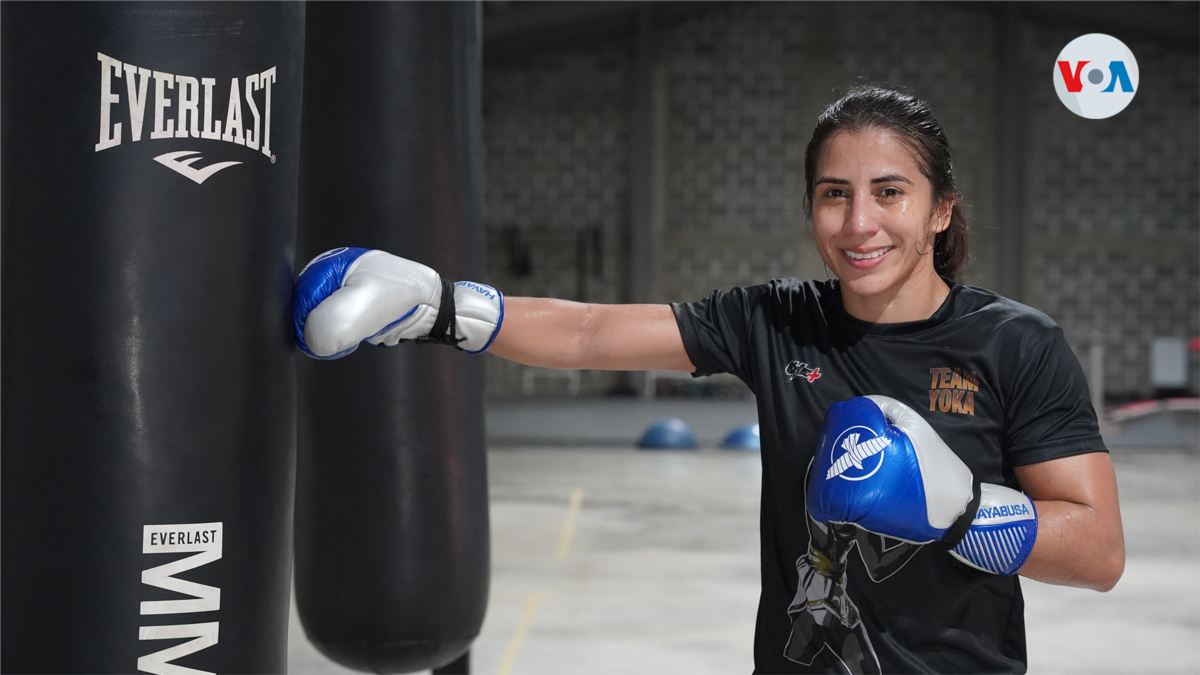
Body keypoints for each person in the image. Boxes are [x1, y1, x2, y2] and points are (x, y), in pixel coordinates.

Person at [292, 85, 1124, 674]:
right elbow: (590, 331)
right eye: (835, 194)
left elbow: (1098, 550)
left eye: (890, 192)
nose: (859, 222)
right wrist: (442, 305)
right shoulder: (778, 319)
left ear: (941, 210)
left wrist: (967, 513)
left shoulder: (1016, 344)